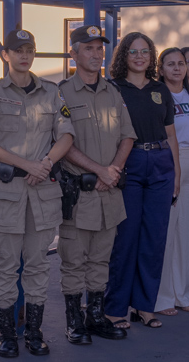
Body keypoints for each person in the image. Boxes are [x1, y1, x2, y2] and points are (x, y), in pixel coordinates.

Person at [0, 28, 74, 357]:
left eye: (29, 50)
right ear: (6, 55)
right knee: (6, 266)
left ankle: (34, 332)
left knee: (38, 266)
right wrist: (27, 164)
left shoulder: (51, 92)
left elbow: (66, 135)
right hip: (7, 192)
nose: (24, 56)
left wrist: (45, 163)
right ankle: (7, 335)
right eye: (18, 50)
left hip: (43, 192)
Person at [56, 26, 139, 339]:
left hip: (109, 192)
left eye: (99, 48)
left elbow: (127, 135)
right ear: (73, 53)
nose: (96, 54)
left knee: (101, 260)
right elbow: (62, 143)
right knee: (73, 260)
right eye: (88, 48)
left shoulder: (112, 92)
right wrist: (99, 170)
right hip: (79, 194)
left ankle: (95, 316)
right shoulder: (62, 93)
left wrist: (113, 170)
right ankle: (73, 321)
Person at [105, 32, 180, 329]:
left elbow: (171, 134)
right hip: (130, 164)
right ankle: (115, 308)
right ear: (123, 56)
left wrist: (176, 174)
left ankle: (144, 306)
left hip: (161, 164)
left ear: (151, 57)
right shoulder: (113, 88)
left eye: (145, 51)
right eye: (133, 52)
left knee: (154, 238)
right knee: (126, 238)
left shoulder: (160, 89)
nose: (139, 57)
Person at [156, 47, 189, 315]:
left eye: (181, 63)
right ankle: (162, 298)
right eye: (171, 64)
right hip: (167, 162)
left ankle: (184, 294)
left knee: (187, 232)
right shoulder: (158, 94)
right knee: (166, 234)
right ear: (161, 68)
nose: (177, 68)